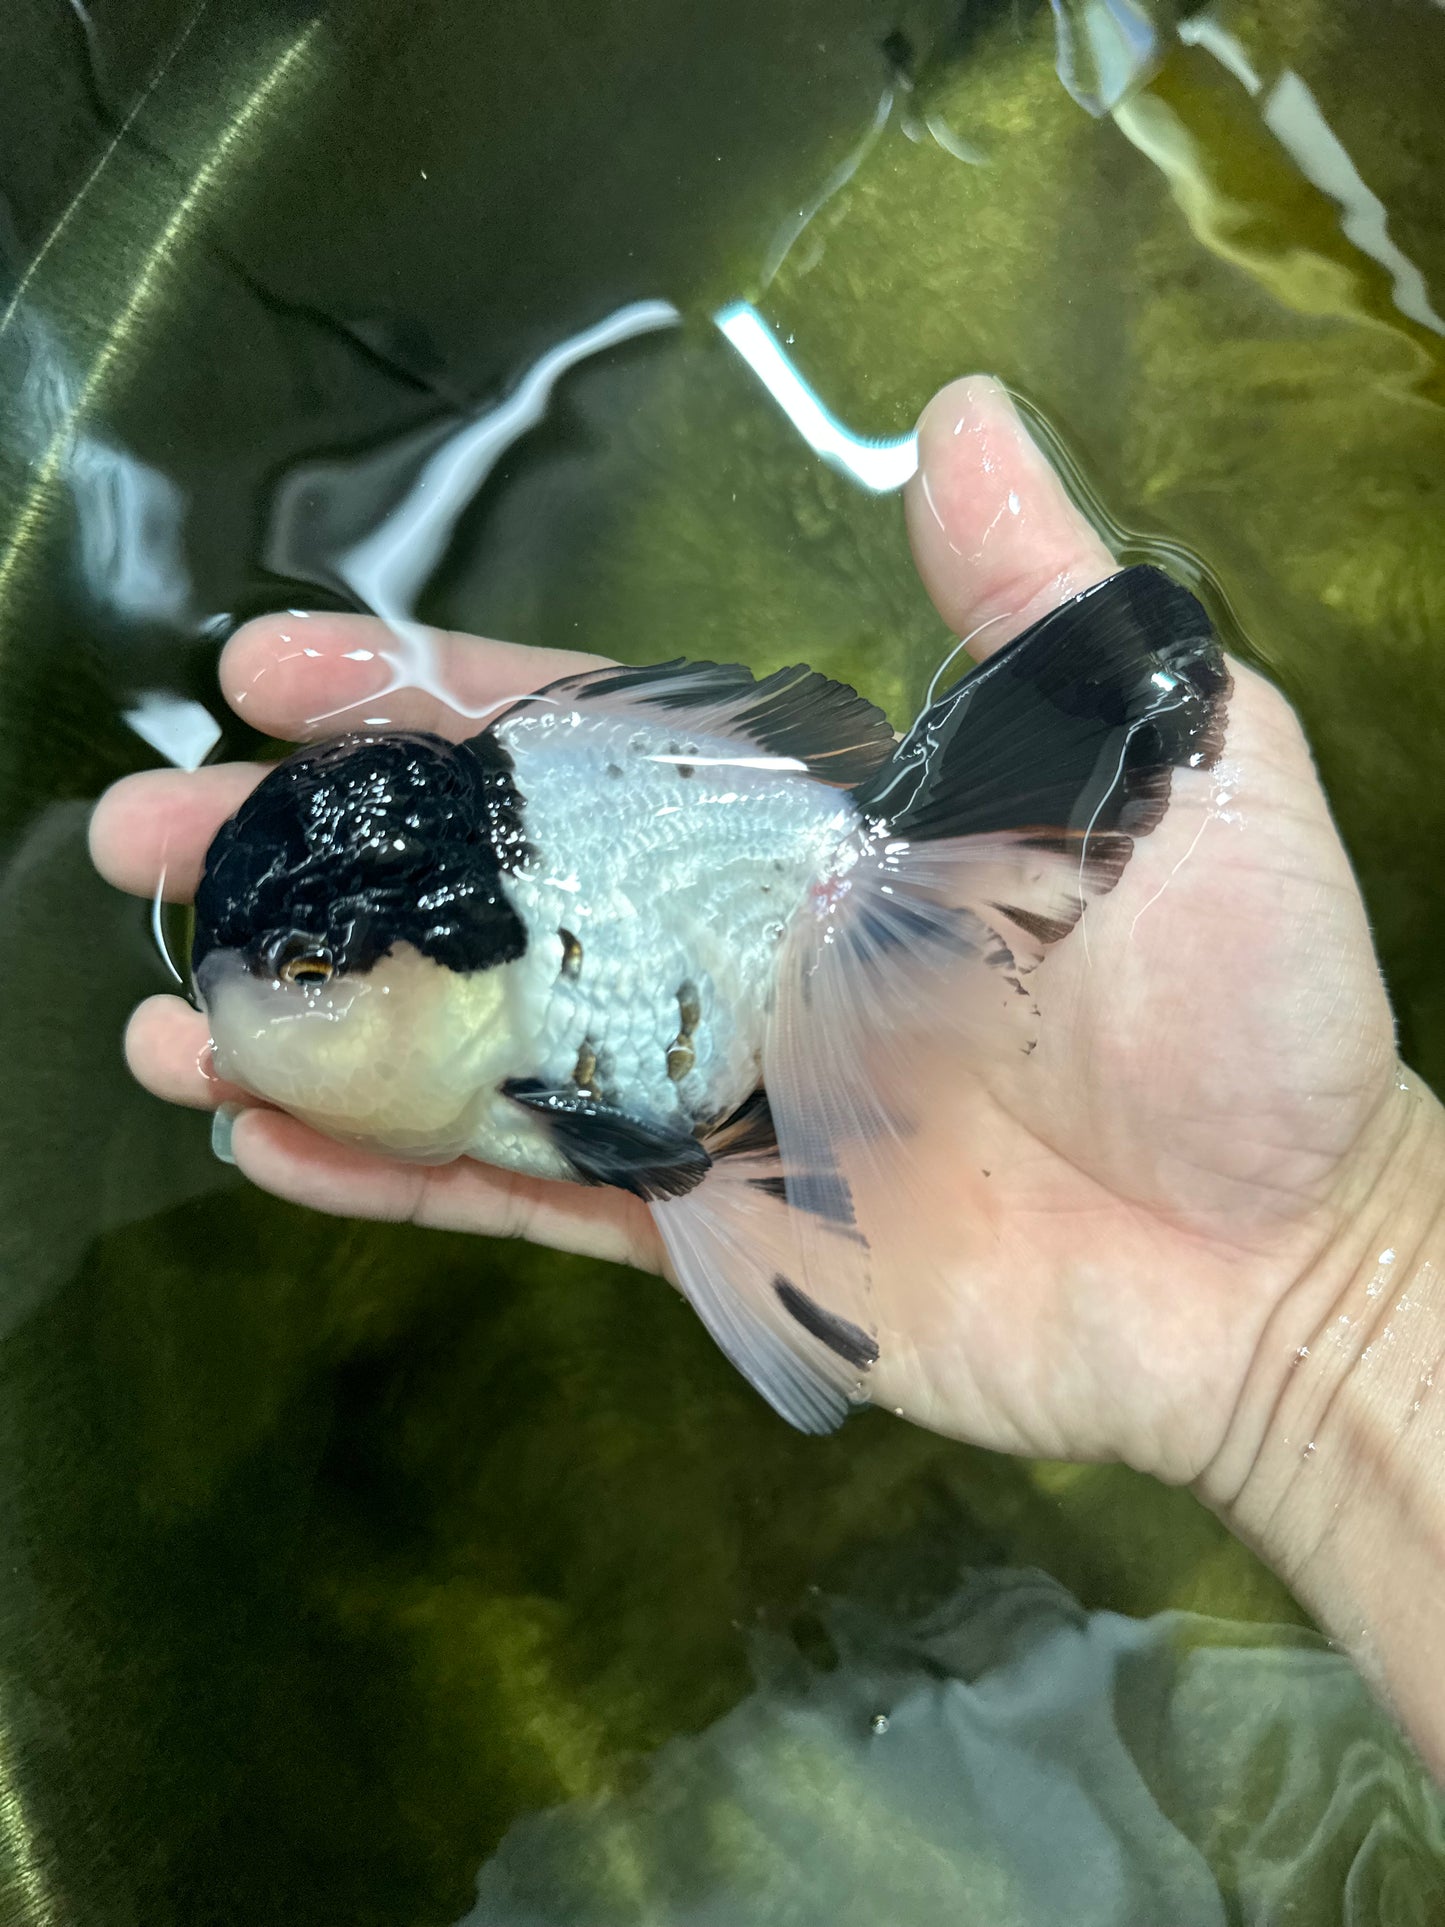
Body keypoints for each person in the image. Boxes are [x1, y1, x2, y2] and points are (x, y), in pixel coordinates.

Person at [89, 377, 1445, 1775]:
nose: (255, 1015)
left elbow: (670, 1163)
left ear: (440, 967)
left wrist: (1338, 1272)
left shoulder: (553, 1047)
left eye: (309, 981)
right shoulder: (491, 1025)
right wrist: (1342, 1289)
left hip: (769, 888)